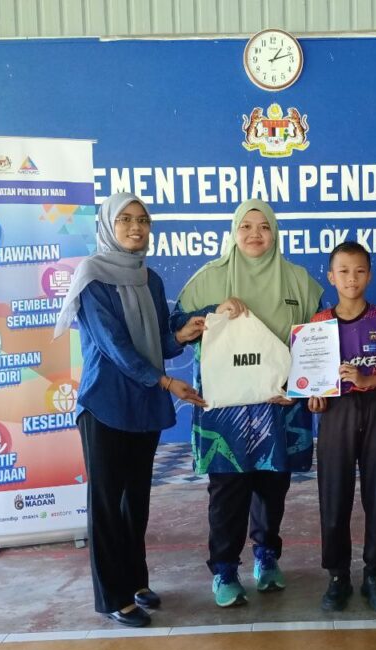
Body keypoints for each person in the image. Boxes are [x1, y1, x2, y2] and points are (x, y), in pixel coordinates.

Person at [54, 192, 205, 627]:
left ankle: (136, 581)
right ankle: (112, 597)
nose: (136, 228)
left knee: (135, 500)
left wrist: (185, 335)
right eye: (125, 220)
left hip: (144, 404)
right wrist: (166, 382)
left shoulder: (149, 279)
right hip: (105, 404)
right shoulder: (91, 277)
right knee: (106, 502)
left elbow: (160, 342)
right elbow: (115, 347)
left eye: (143, 220)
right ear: (107, 225)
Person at [171, 199, 323, 607]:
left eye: (264, 227)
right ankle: (224, 569)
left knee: (273, 487)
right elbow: (177, 328)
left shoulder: (298, 281)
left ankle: (266, 556)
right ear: (234, 232)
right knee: (228, 489)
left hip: (279, 404)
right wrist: (212, 311)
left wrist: (307, 385)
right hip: (226, 409)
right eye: (246, 226)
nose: (255, 234)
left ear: (275, 233)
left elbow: (317, 339)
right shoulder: (209, 278)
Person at [307, 241, 376, 612]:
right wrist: (314, 396)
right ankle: (337, 575)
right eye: (343, 271)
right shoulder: (318, 324)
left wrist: (369, 380)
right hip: (335, 416)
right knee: (333, 497)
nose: (351, 278)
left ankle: (375, 575)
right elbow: (308, 381)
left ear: (369, 276)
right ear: (330, 277)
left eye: (359, 271)